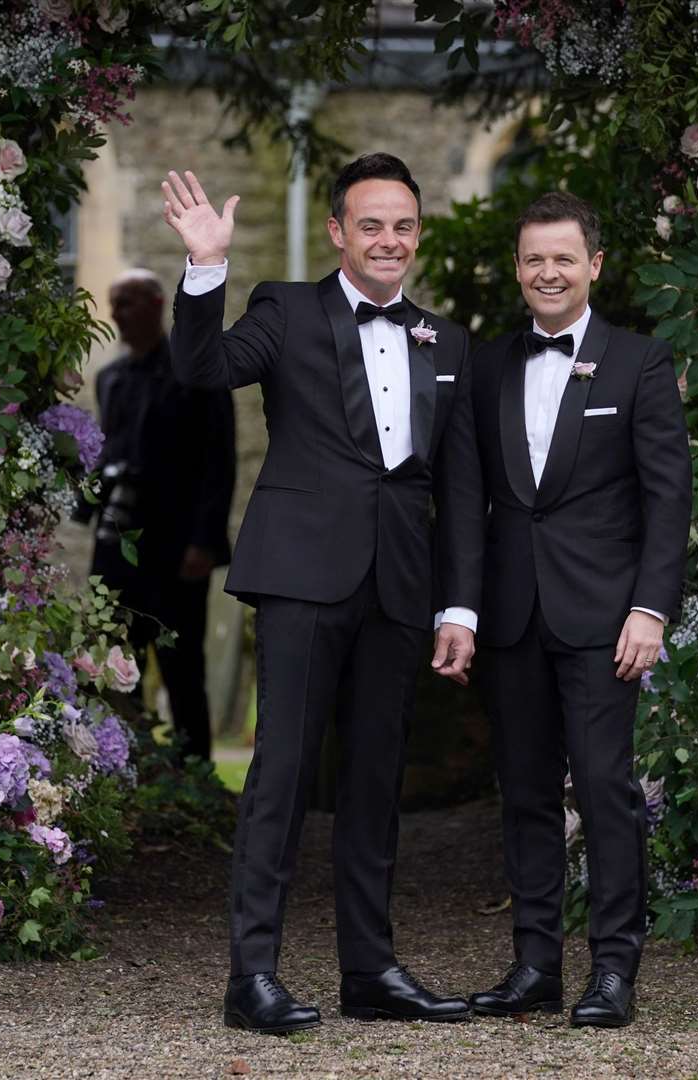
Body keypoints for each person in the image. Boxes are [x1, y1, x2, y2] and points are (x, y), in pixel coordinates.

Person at [161, 155, 482, 1034]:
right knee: (284, 773)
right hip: (302, 573)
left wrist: (459, 606)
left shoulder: (445, 340)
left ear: (418, 235)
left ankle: (370, 969)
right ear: (338, 231)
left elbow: (456, 485)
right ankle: (251, 977)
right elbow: (201, 369)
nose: (389, 239)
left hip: (400, 586)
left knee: (377, 782)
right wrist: (204, 270)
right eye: (371, 223)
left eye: (404, 225)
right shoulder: (286, 309)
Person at [463, 192, 691, 1029]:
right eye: (533, 259)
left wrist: (651, 610)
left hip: (607, 619)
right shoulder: (487, 367)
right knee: (523, 791)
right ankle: (534, 966)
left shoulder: (640, 362)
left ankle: (615, 970)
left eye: (564, 257)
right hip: (513, 613)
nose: (547, 272)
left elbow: (669, 501)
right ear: (518, 271)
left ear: (595, 264)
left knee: (604, 789)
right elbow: (469, 497)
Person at [83, 269, 235, 763]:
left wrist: (205, 542)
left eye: (126, 303)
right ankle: (125, 768)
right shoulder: (111, 380)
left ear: (154, 304)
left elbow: (219, 461)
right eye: (113, 304)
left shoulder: (196, 372)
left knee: (180, 665)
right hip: (117, 544)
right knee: (111, 662)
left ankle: (196, 776)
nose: (117, 315)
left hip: (177, 545)